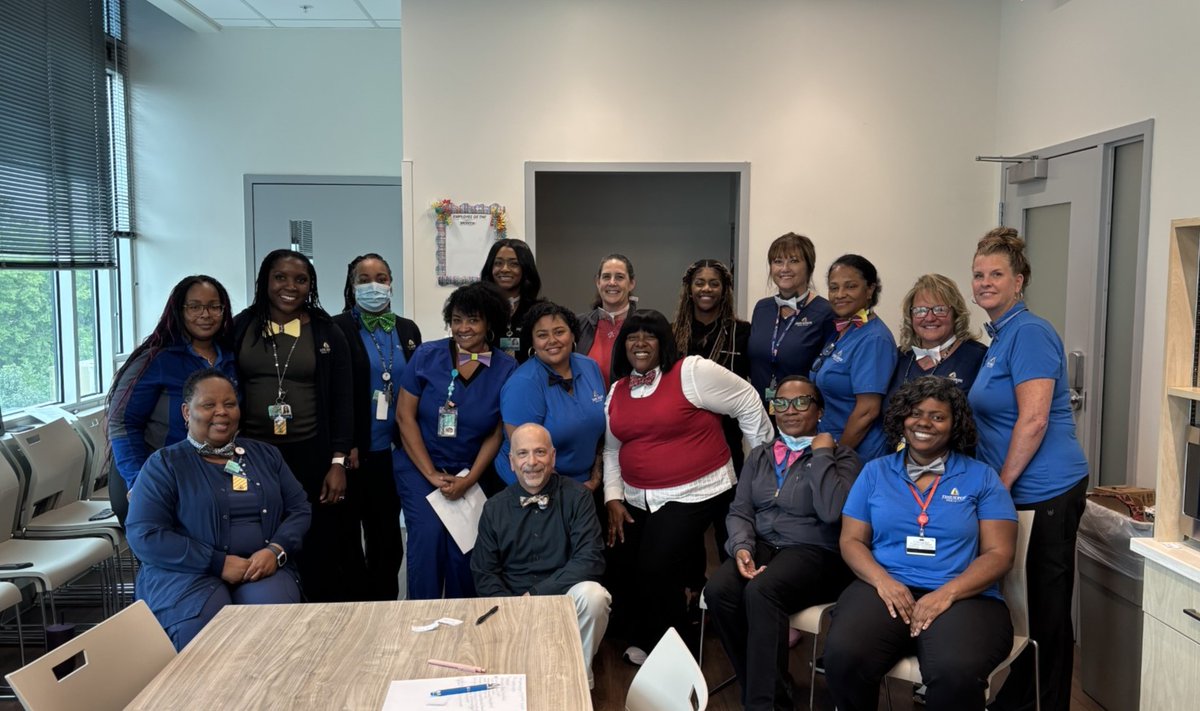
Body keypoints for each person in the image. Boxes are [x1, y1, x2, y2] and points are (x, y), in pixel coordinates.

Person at [824, 377, 1017, 711]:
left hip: (964, 596)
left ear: (955, 425)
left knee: (955, 674)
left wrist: (947, 593)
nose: (924, 423)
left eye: (938, 416)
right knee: (843, 657)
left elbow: (1000, 554)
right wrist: (884, 582)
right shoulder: (874, 472)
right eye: (915, 414)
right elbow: (851, 540)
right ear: (902, 419)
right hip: (883, 587)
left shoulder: (982, 477)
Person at [603, 309, 772, 664]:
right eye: (633, 336)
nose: (640, 342)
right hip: (637, 495)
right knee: (627, 564)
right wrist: (613, 497)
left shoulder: (692, 372)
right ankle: (651, 638)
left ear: (664, 341)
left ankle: (676, 656)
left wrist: (761, 462)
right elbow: (612, 449)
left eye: (650, 335)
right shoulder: (618, 389)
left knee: (656, 567)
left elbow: (747, 400)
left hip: (696, 490)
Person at [968, 228, 1089, 711]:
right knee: (1021, 606)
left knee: (1045, 611)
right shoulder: (1000, 336)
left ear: (1019, 282)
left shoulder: (1031, 332)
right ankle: (1020, 698)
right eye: (978, 274)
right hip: (1018, 490)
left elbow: (1034, 418)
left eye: (996, 274)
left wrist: (1001, 484)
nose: (985, 282)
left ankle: (1045, 702)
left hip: (1046, 490)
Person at [126, 368, 311, 650]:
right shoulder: (164, 464)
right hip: (187, 575)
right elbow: (144, 534)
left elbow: (299, 509)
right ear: (187, 412)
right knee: (207, 637)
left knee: (274, 628)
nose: (222, 412)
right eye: (209, 405)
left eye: (229, 404)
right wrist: (217, 562)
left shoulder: (266, 454)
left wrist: (276, 550)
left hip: (259, 568)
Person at [705, 376, 860, 711]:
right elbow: (740, 510)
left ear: (820, 410)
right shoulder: (760, 455)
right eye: (781, 403)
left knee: (762, 590)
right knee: (718, 591)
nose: (790, 410)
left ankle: (763, 704)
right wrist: (742, 547)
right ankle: (769, 687)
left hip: (815, 553)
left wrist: (821, 454)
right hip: (762, 546)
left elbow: (832, 511)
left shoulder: (844, 458)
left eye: (802, 402)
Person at [232, 249, 364, 602]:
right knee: (256, 528)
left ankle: (319, 610)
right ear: (265, 281)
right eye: (281, 277)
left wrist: (338, 462)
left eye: (300, 279)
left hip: (312, 452)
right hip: (252, 452)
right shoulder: (241, 326)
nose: (290, 286)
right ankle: (266, 600)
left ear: (311, 286)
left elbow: (343, 400)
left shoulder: (327, 331)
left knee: (317, 536)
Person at [394, 281, 517, 599]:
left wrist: (471, 478)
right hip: (420, 466)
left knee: (465, 546)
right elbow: (405, 417)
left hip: (470, 471)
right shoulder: (427, 355)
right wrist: (431, 474)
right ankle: (421, 622)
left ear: (489, 322)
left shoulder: (506, 368)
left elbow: (496, 432)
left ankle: (463, 629)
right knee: (428, 536)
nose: (463, 328)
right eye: (458, 319)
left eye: (473, 320)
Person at [472, 423, 609, 689]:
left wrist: (535, 596)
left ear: (553, 457)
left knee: (595, 596)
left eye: (540, 452)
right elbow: (484, 572)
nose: (531, 462)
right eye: (522, 454)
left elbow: (590, 559)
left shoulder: (578, 497)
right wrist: (513, 609)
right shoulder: (493, 508)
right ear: (511, 462)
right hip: (512, 606)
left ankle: (578, 678)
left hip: (565, 600)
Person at [107, 275, 237, 525]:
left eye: (213, 306)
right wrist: (139, 480)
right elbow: (122, 423)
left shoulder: (230, 358)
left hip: (204, 479)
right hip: (152, 476)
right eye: (195, 307)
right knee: (165, 559)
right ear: (179, 311)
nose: (205, 314)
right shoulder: (155, 359)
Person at [332, 253, 422, 601]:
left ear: (391, 284)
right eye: (365, 279)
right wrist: (344, 446)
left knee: (387, 539)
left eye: (381, 278)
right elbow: (335, 394)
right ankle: (355, 612)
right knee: (348, 541)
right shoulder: (336, 328)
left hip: (395, 452)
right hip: (353, 453)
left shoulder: (407, 329)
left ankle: (384, 606)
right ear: (352, 286)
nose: (374, 285)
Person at [495, 301, 606, 491]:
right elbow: (527, 459)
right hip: (531, 484)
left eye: (559, 332)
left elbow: (600, 434)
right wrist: (572, 494)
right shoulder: (522, 384)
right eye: (542, 335)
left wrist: (596, 476)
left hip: (585, 483)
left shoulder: (590, 367)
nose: (552, 340)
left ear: (573, 335)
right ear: (532, 341)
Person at [811, 254, 897, 461]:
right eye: (833, 287)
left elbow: (867, 411)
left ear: (869, 290)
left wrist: (837, 455)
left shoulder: (874, 338)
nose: (840, 294)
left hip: (856, 453)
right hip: (830, 443)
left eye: (850, 286)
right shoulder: (845, 330)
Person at [748, 233, 835, 405]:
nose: (784, 268)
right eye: (778, 261)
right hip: (759, 413)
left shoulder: (825, 312)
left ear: (809, 267)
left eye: (794, 261)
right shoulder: (762, 308)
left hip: (800, 414)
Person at [886, 273, 987, 405]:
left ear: (956, 314)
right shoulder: (898, 357)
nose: (929, 318)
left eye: (939, 309)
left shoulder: (978, 358)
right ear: (910, 315)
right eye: (920, 310)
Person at [577, 253, 639, 387]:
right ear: (598, 282)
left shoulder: (644, 326)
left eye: (620, 277)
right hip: (587, 407)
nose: (612, 282)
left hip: (628, 406)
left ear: (631, 283)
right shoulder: (579, 325)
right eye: (606, 277)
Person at [479, 238, 542, 362]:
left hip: (527, 378)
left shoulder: (538, 311)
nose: (505, 269)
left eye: (514, 264)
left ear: (525, 269)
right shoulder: (479, 308)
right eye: (498, 263)